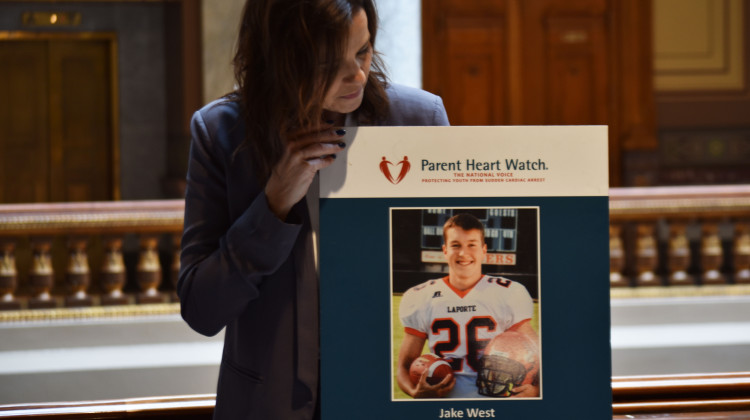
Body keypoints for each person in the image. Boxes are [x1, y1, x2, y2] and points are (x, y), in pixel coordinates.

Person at [177, 0, 449, 418]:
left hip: (389, 399)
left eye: (363, 51)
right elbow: (201, 309)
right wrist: (272, 206)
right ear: (280, 60)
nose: (357, 75)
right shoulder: (220, 133)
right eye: (329, 64)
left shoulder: (419, 121)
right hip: (267, 405)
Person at [396, 213, 540, 399]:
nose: (463, 253)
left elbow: (536, 355)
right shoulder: (421, 295)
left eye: (471, 245)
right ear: (445, 250)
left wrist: (537, 389)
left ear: (483, 250)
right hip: (445, 404)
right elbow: (404, 366)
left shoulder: (508, 292)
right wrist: (415, 392)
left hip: (497, 401)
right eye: (456, 245)